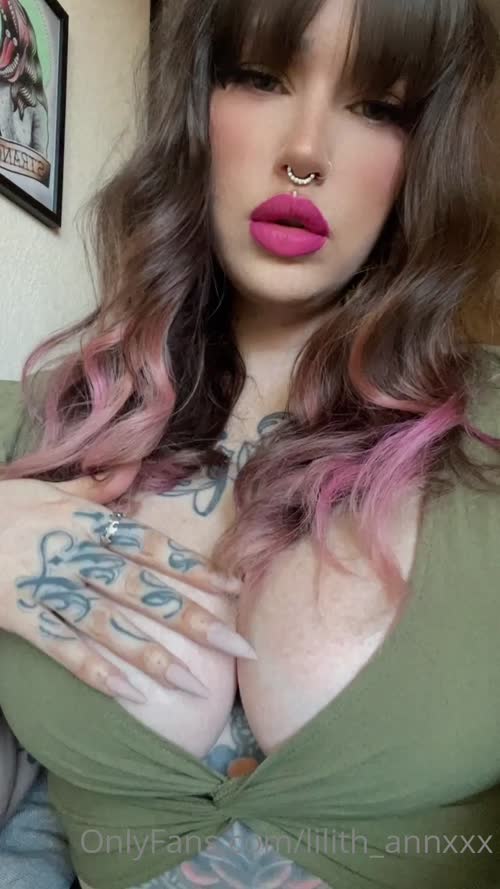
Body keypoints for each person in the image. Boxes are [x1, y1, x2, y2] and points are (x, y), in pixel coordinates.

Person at [0, 0, 500, 887]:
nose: (305, 152)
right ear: (195, 108)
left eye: (377, 106)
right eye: (261, 78)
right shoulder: (35, 424)